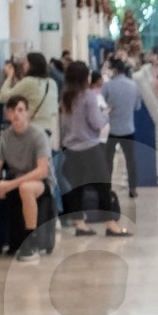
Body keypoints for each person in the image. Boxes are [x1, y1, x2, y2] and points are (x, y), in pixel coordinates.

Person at [59, 61, 128, 237]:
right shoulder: (88, 95)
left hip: (70, 147)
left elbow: (64, 124)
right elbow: (96, 123)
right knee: (103, 184)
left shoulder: (65, 96)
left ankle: (80, 225)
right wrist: (106, 116)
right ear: (84, 77)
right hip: (89, 147)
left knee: (77, 187)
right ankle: (111, 224)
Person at [0, 93, 54, 262]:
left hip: (39, 182)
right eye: (12, 110)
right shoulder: (5, 137)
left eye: (20, 110)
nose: (16, 114)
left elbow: (42, 171)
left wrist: (10, 184)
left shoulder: (38, 135)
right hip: (15, 178)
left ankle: (30, 240)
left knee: (25, 188)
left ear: (27, 113)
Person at [101, 57, 144, 219]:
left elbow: (102, 104)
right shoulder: (133, 86)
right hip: (128, 128)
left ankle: (107, 187)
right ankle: (133, 188)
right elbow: (137, 106)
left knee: (108, 160)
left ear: (115, 70)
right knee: (130, 160)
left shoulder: (109, 85)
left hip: (112, 129)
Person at [0, 52, 60, 148]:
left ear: (31, 65)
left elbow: (3, 97)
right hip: (47, 132)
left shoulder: (29, 82)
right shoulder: (52, 83)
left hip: (30, 131)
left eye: (25, 62)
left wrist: (9, 77)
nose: (23, 65)